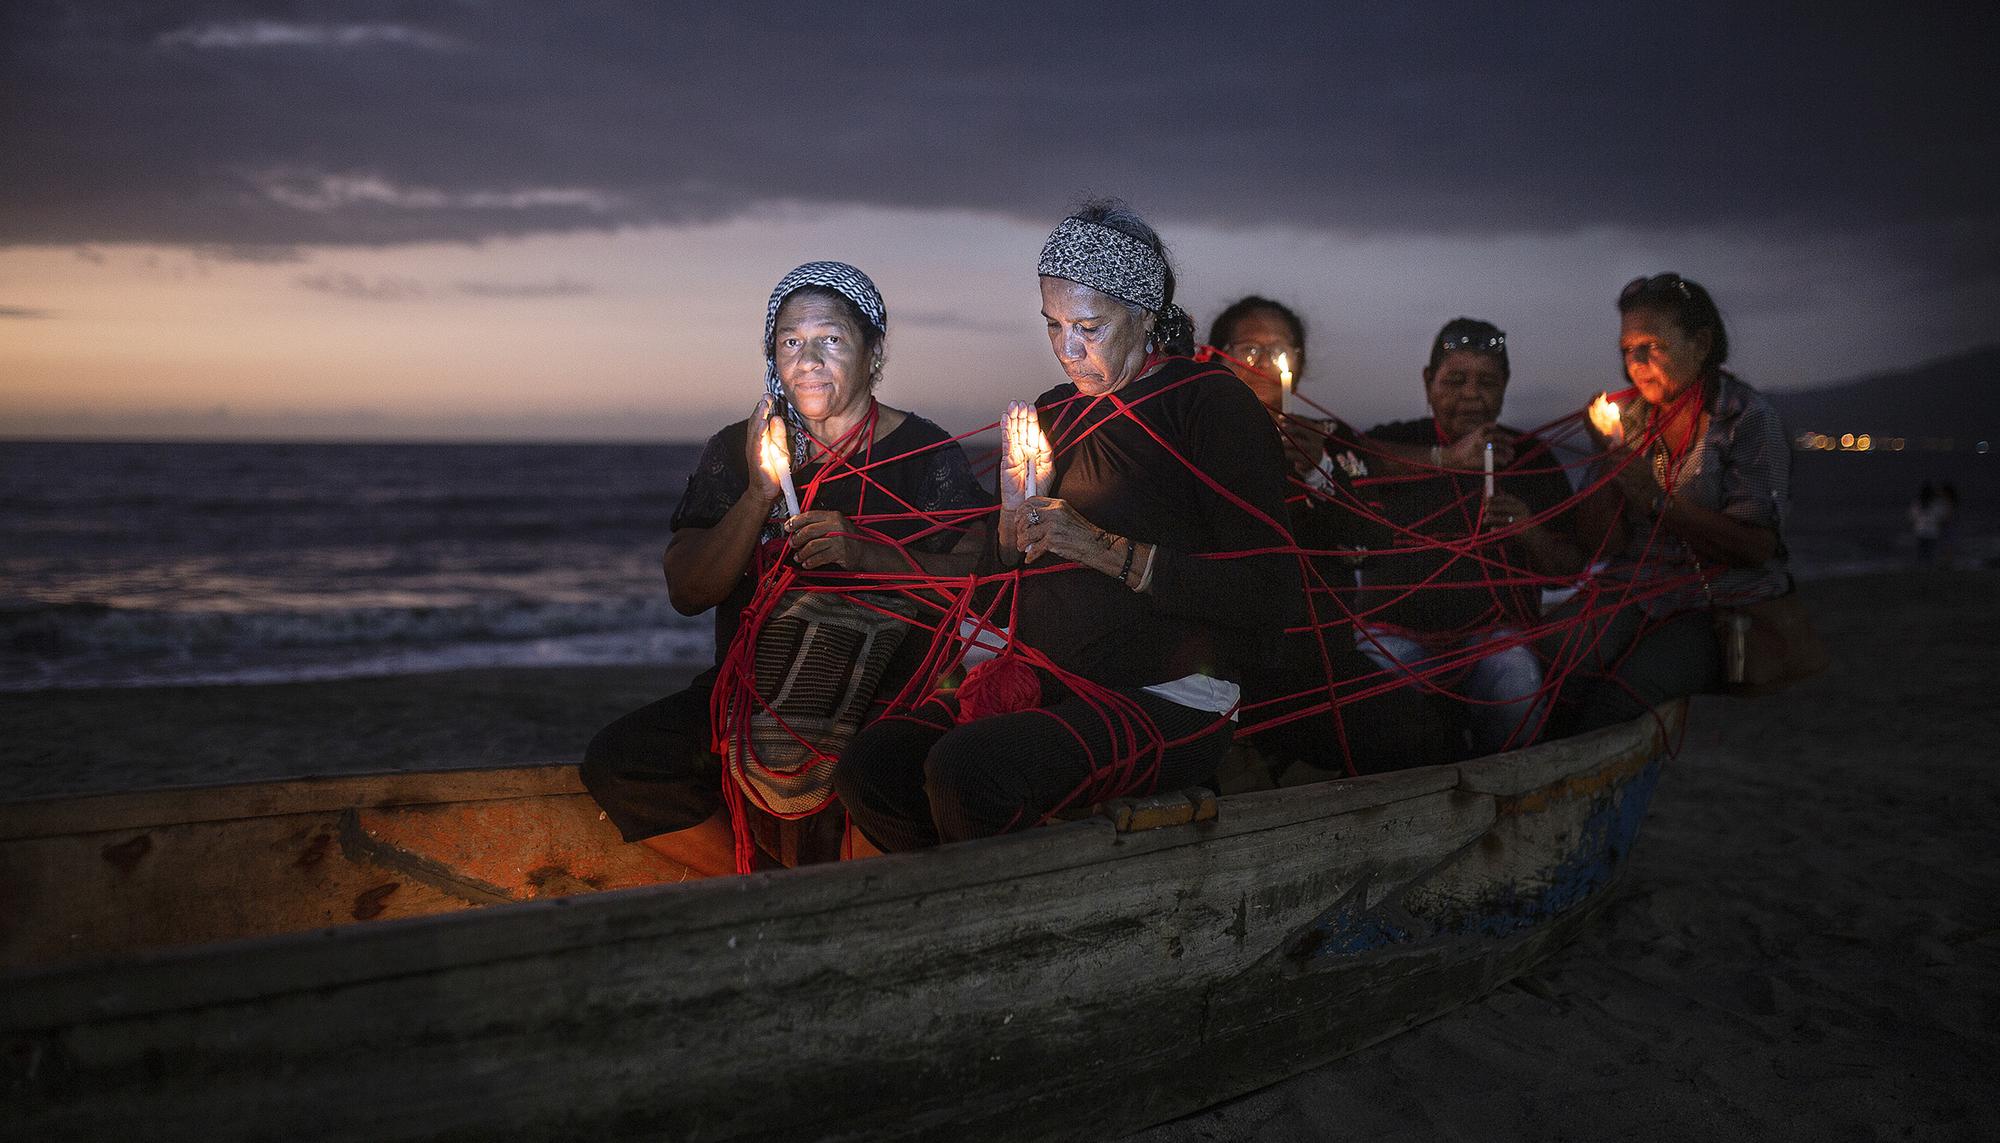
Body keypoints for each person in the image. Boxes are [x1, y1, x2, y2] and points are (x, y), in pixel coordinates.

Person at [834, 201, 1302, 851]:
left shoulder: (1210, 404)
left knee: (968, 773)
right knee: (869, 768)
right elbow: (1004, 594)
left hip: (1176, 697)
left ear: (1143, 315)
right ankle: (955, 917)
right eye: (1052, 326)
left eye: (1089, 325)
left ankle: (1017, 933)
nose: (1068, 349)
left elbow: (1270, 593)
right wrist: (1007, 529)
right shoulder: (1054, 411)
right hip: (1049, 680)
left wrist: (1101, 547)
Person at [580, 261, 988, 876]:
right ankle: (764, 883)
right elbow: (688, 591)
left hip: (883, 698)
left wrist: (870, 554)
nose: (808, 360)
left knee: (874, 778)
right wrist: (757, 496)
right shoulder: (738, 449)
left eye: (831, 339)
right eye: (791, 342)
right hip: (748, 696)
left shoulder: (923, 455)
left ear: (874, 351)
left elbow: (986, 582)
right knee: (622, 758)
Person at [1205, 296, 1459, 774]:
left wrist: (1319, 470)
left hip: (1317, 660)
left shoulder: (1327, 439)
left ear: (1298, 366)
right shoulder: (1199, 437)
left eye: (1280, 352)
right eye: (1248, 351)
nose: (1264, 365)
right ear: (1217, 357)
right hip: (1229, 665)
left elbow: (1369, 544)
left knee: (1422, 731)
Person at [1551, 273, 1793, 733]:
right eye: (1627, 350)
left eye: (1652, 347)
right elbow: (1600, 543)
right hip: (1635, 592)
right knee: (1554, 663)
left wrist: (1657, 500)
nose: (1636, 363)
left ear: (1701, 344)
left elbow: (1757, 547)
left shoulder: (1748, 420)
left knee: (1622, 693)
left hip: (1718, 605)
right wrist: (1607, 457)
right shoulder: (1633, 420)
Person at [1353, 318, 1589, 755]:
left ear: (1505, 386)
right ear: (1428, 382)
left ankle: (1508, 795)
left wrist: (1530, 532)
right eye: (1455, 380)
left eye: (1487, 381)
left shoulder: (1535, 459)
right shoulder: (1394, 442)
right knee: (1375, 690)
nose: (1470, 395)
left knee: (1517, 682)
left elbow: (1568, 571)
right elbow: (1349, 459)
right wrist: (1449, 458)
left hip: (1493, 639)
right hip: (1394, 633)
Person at [1910, 481, 1945, 566]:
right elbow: (1941, 517)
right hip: (1932, 531)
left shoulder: (1917, 503)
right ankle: (1929, 570)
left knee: (1921, 553)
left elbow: (1912, 517)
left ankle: (1921, 570)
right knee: (1930, 554)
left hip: (1920, 530)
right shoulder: (1936, 504)